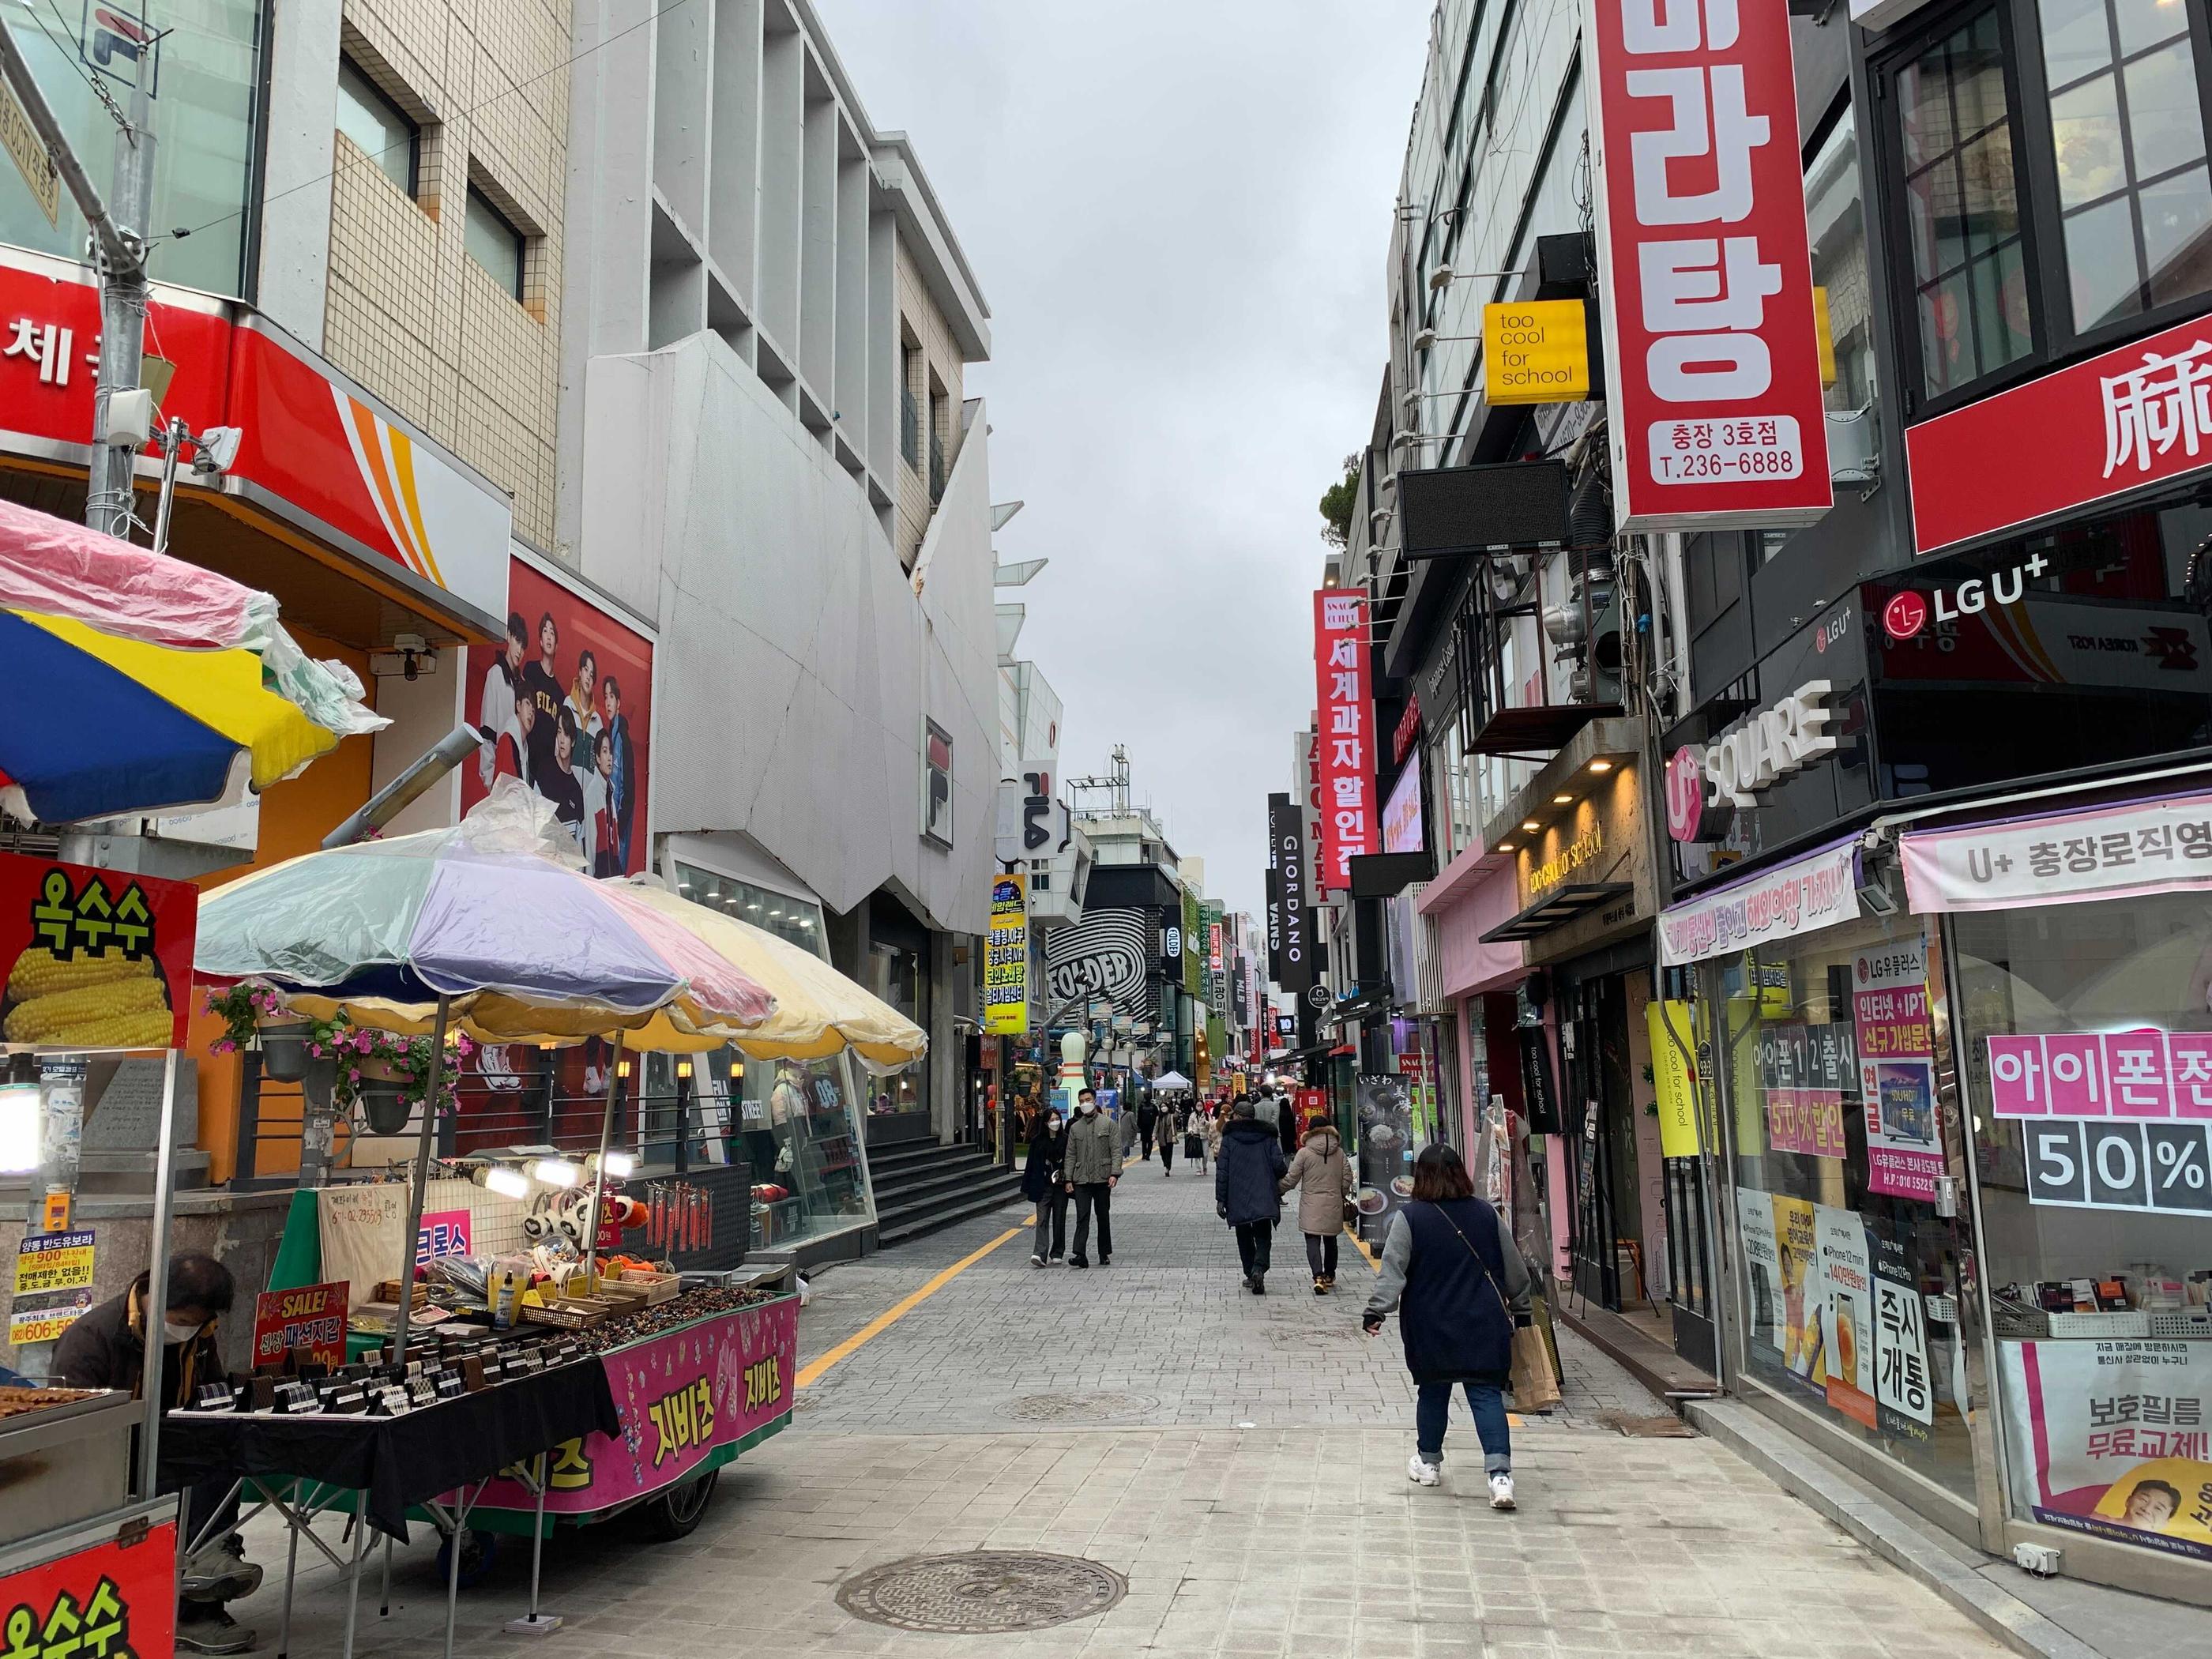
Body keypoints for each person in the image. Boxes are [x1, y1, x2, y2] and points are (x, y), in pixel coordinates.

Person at [57, 1254, 261, 1653]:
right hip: (109, 1458)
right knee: (184, 1476)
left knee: (224, 1455)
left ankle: (204, 1582)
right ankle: (196, 1578)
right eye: (181, 1321)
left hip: (170, 1442)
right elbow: (71, 1424)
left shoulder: (200, 1335)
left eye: (195, 1324)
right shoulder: (92, 1338)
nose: (186, 1331)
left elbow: (210, 1392)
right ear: (154, 1296)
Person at [1362, 1143, 1529, 1510]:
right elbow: (1515, 1269)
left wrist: (1377, 1312)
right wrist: (1523, 1309)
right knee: (1486, 1395)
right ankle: (1500, 1477)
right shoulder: (1486, 1214)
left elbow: (1393, 1271)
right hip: (1483, 1322)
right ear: (1460, 1172)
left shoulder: (1412, 1219)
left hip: (1430, 1322)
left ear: (1420, 1176)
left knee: (1433, 1392)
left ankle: (1429, 1463)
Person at [1215, 1097, 1288, 1294]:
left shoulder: (1229, 1139)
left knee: (1244, 1235)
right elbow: (1279, 1166)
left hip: (1237, 1195)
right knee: (1264, 1235)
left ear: (1237, 1116)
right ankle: (1259, 1269)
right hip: (1263, 1192)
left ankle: (1250, 1273)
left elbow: (1222, 1170)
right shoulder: (1267, 1136)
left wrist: (1221, 1198)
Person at [1281, 1117, 1353, 1294]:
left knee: (1312, 1240)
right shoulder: (1340, 1152)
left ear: (1310, 1130)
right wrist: (1341, 1194)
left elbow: (1291, 1179)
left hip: (1310, 1203)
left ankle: (1318, 1276)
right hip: (1334, 1201)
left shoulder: (1304, 1153)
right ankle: (1330, 1275)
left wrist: (1276, 1190)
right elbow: (1347, 1178)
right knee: (1331, 1239)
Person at [1063, 1087, 1118, 1267]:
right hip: (1081, 1179)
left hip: (1102, 1178)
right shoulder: (1075, 1128)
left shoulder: (1108, 1124)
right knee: (1082, 1216)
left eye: (1087, 1099)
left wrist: (1114, 1173)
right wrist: (1068, 1179)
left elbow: (1116, 1151)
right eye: (1081, 1101)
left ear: (1094, 1100)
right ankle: (1080, 1254)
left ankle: (1104, 1252)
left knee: (1103, 1216)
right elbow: (1070, 1154)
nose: (1085, 1103)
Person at [476, 611, 526, 784]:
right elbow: (487, 733)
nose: (520, 650)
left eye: (523, 646)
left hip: (520, 779)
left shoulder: (522, 684)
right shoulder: (496, 675)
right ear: (509, 636)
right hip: (501, 778)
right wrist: (492, 782)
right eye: (517, 641)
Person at [521, 610, 564, 788]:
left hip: (545, 772)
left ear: (556, 645)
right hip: (527, 762)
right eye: (545, 631)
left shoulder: (560, 694)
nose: (548, 636)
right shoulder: (531, 670)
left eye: (552, 632)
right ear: (540, 640)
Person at [1024, 1106, 1070, 1266]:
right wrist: (1028, 1185)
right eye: (1051, 1120)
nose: (1055, 1122)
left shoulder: (1065, 1139)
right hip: (1042, 1186)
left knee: (1059, 1219)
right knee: (1042, 1218)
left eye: (1057, 1119)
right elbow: (1031, 1164)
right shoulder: (1037, 1141)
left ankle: (1057, 1251)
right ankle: (1039, 1253)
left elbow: (1070, 1160)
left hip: (1060, 1185)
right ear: (1045, 1123)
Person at [602, 675, 638, 871]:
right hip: (611, 830)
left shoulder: (622, 738)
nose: (608, 702)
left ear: (619, 703)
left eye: (611, 697)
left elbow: (629, 791)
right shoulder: (611, 735)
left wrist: (618, 828)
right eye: (605, 697)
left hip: (618, 832)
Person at [540, 709, 588, 841]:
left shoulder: (577, 791)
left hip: (566, 859)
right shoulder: (544, 772)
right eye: (559, 732)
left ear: (572, 741)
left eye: (566, 734)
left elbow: (579, 845)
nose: (562, 740)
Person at [1153, 1101, 1178, 1176]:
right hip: (1161, 1138)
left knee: (1169, 1154)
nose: (1163, 1108)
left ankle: (1167, 1167)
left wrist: (1176, 1109)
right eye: (1162, 1107)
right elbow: (1156, 1127)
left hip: (1170, 1138)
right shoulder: (1159, 1117)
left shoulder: (1171, 1116)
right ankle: (1165, 1165)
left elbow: (1176, 1116)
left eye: (1165, 1106)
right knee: (1163, 1153)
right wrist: (1154, 1135)